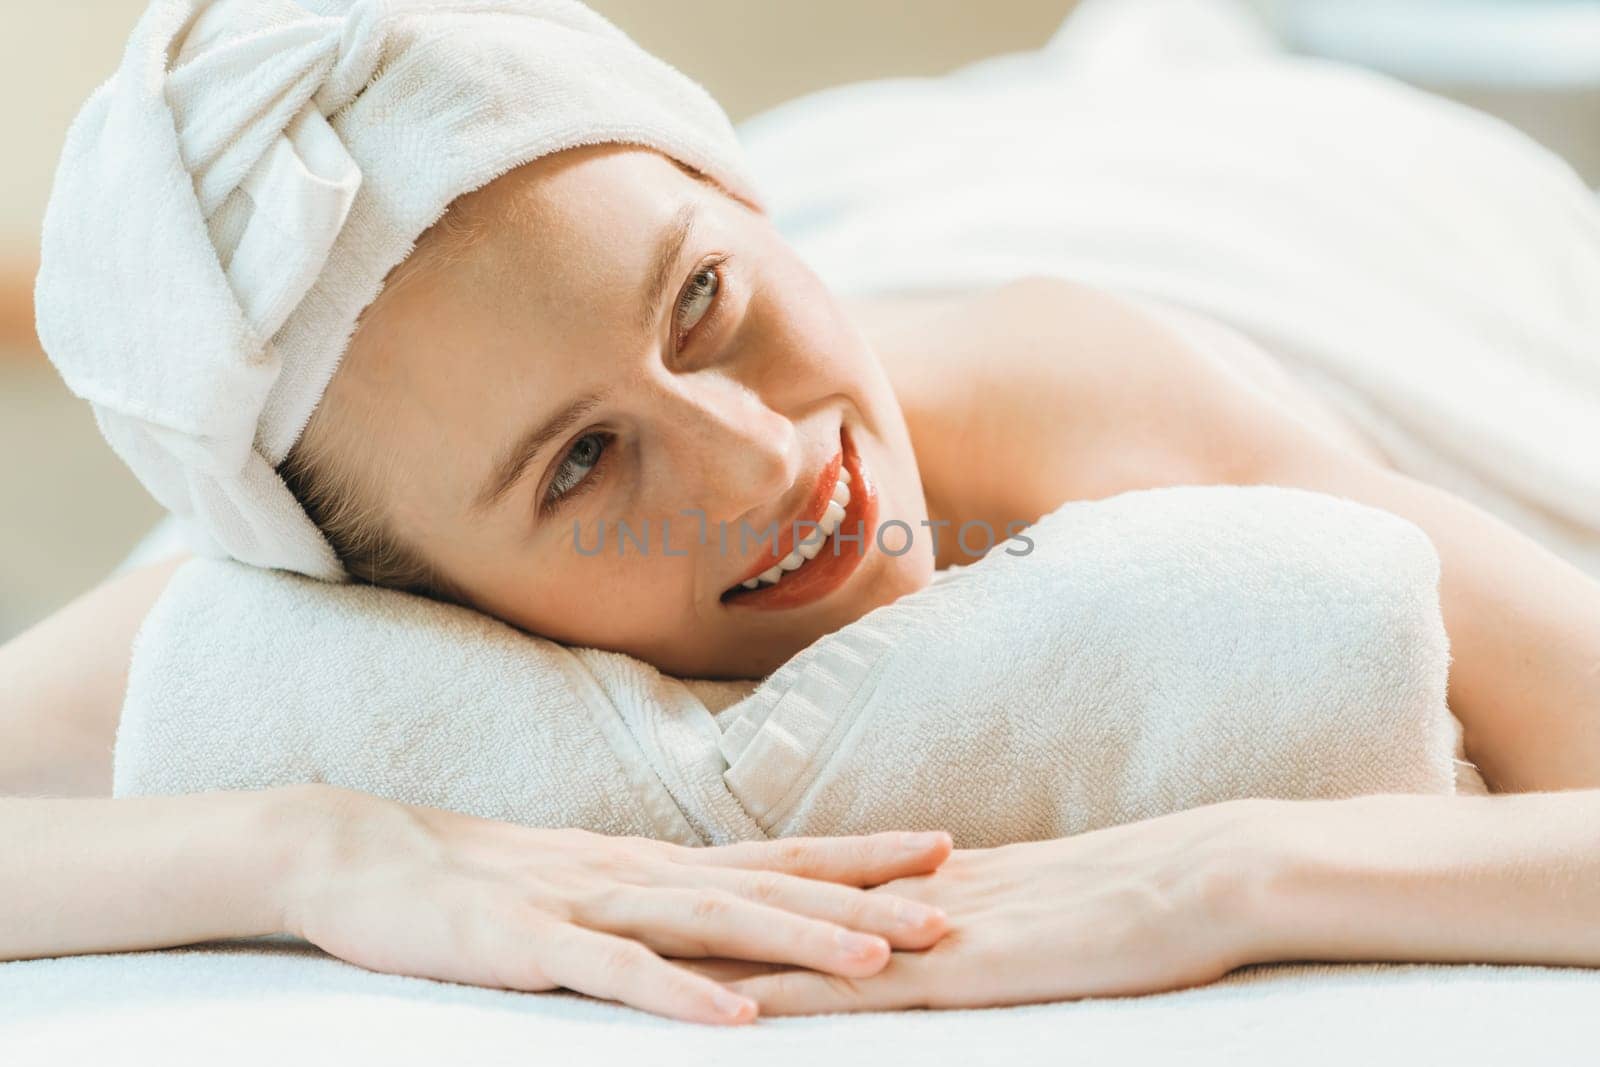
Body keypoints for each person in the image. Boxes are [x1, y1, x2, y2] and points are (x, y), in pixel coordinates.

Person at [6, 0, 1600, 1026]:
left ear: (731, 202)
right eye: (579, 465)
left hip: (1268, 205)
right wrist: (311, 850)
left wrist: (1233, 875)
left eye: (703, 302)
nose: (763, 464)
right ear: (399, 590)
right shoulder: (304, 583)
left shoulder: (1105, 401)